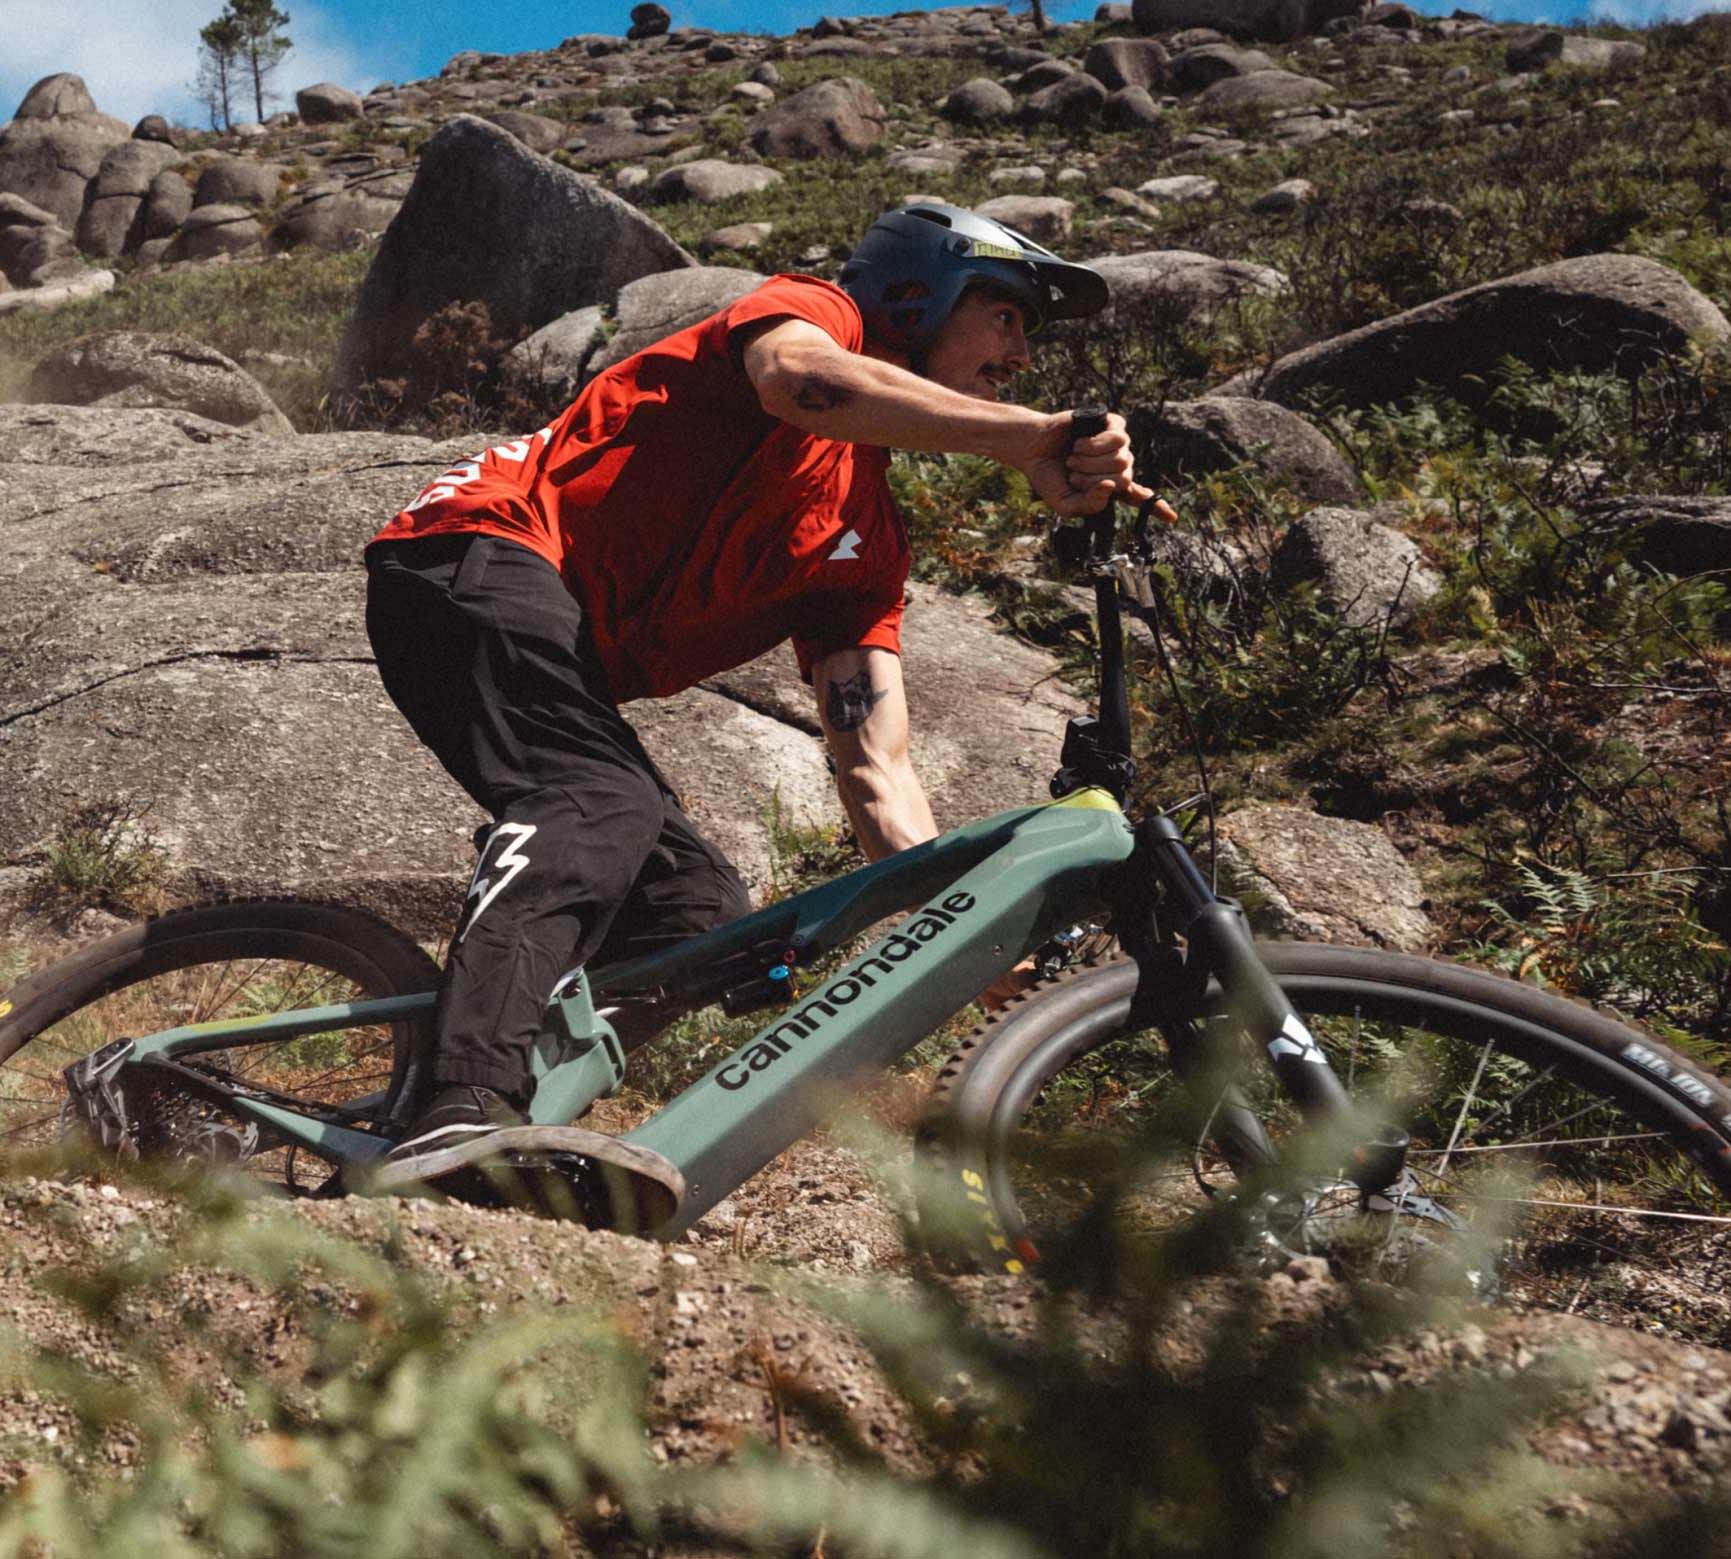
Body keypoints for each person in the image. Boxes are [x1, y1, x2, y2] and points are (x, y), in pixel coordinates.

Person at [363, 200, 1175, 1176]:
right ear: (918, 293)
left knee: (700, 916)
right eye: (1004, 314)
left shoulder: (861, 540)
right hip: (471, 554)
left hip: (542, 636)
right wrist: (1024, 438)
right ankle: (458, 1104)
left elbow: (875, 769)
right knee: (594, 802)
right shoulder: (810, 314)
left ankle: (502, 1091)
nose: (1020, 352)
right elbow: (800, 383)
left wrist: (961, 924)